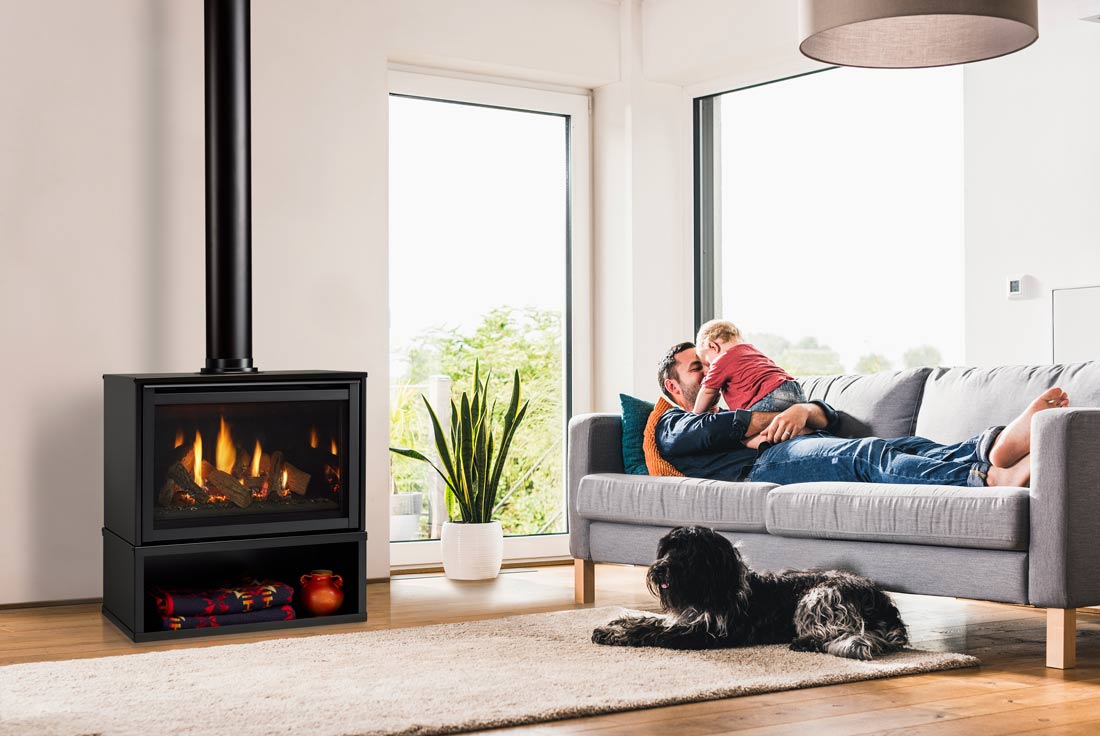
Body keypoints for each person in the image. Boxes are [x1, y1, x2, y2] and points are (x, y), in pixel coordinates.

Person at [654, 341, 1067, 488]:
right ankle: (990, 478)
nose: (710, 371)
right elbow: (710, 431)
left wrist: (803, 409)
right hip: (761, 465)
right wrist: (765, 426)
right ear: (674, 387)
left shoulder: (740, 397)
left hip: (799, 445)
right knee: (866, 455)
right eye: (697, 368)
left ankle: (992, 447)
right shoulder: (671, 423)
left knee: (904, 445)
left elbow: (830, 416)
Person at [692, 319, 806, 418]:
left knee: (740, 430)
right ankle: (805, 430)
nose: (707, 370)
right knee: (782, 426)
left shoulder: (721, 360)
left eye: (707, 362)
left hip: (771, 395)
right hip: (796, 390)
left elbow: (707, 392)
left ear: (712, 346)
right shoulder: (752, 351)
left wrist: (694, 416)